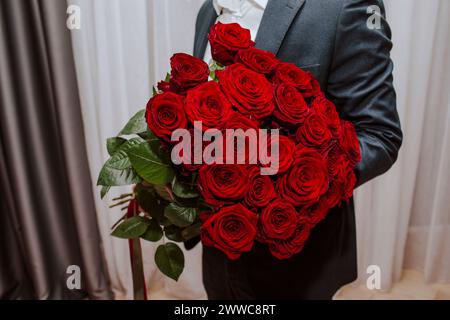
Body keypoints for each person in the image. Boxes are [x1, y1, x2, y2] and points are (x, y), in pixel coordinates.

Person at [185, 0, 403, 299]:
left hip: (298, 258)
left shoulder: (346, 6)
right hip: (220, 246)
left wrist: (290, 185)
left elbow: (380, 135)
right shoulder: (209, 10)